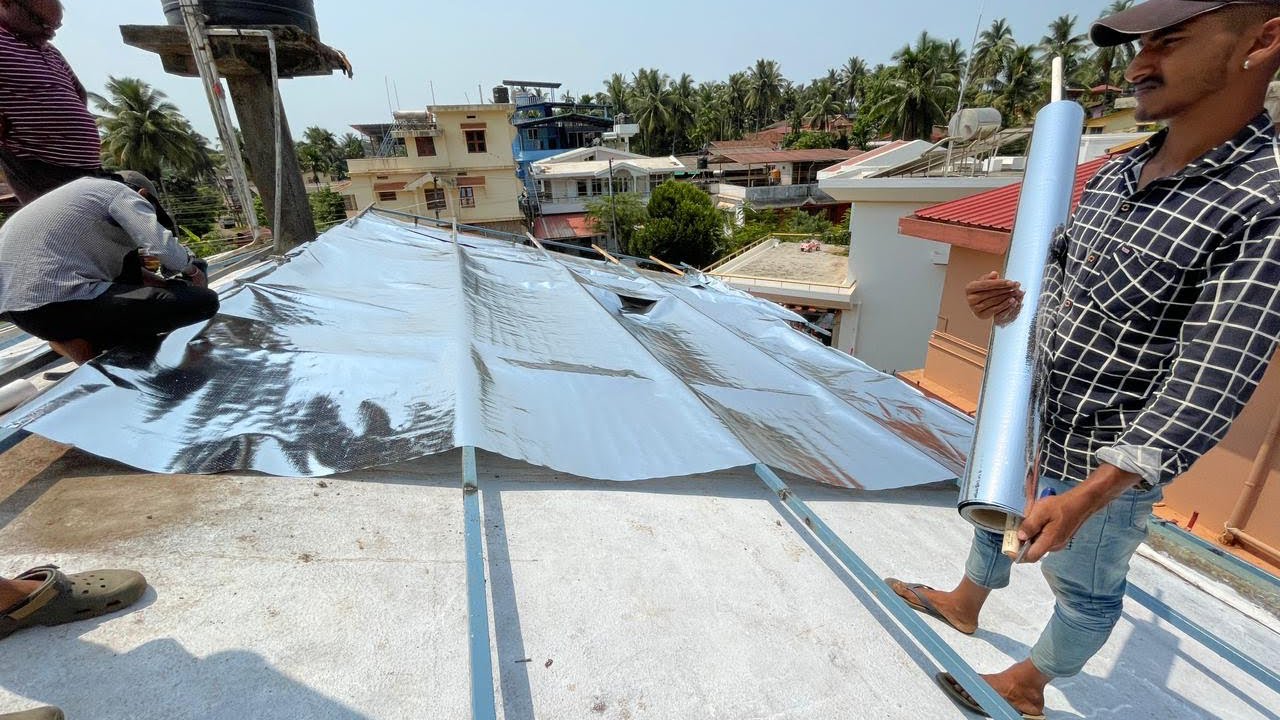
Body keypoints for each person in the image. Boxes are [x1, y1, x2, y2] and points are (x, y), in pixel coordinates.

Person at [887, 2, 1280, 717]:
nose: (1138, 66)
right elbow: (1059, 274)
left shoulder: (1261, 205)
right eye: (1138, 46)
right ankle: (967, 602)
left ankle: (1030, 684)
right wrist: (1005, 300)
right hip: (1041, 415)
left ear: (1264, 39)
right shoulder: (1117, 175)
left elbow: (1209, 383)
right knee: (993, 510)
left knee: (1088, 588)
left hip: (1107, 460)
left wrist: (1092, 494)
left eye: (1169, 41)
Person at [0, 172, 217, 365]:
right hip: (64, 303)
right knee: (203, 302)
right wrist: (193, 273)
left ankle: (70, 341)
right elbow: (162, 248)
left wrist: (168, 285)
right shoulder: (118, 193)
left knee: (129, 313)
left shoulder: (79, 198)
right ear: (143, 193)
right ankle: (77, 343)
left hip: (22, 313)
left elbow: (126, 279)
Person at [0, 0, 101, 204]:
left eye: (55, 27)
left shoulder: (50, 51)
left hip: (86, 166)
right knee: (68, 228)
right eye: (41, 22)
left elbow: (78, 93)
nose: (50, 33)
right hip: (39, 165)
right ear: (6, 3)